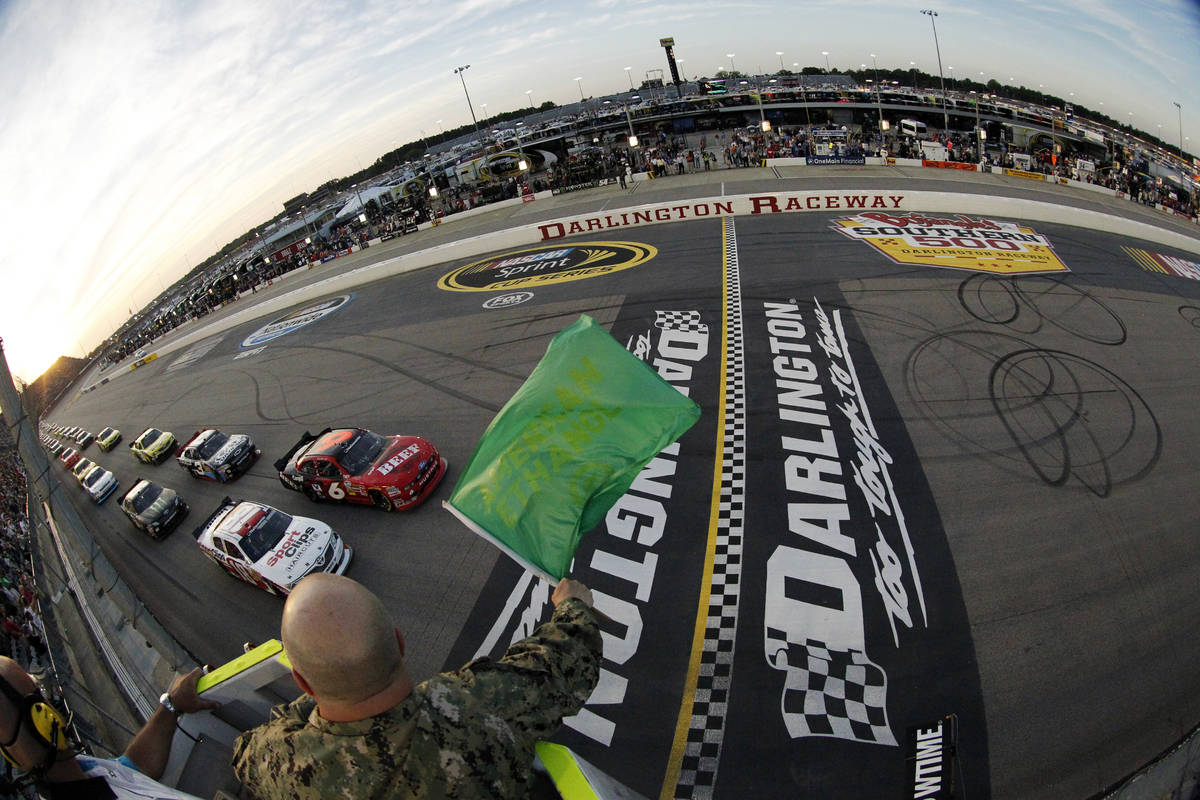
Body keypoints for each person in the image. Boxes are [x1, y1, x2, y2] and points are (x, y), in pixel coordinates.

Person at [232, 573, 602, 799]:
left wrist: (324, 686)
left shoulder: (282, 763)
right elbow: (564, 661)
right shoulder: (473, 704)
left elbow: (244, 753)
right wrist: (572, 605)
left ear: (302, 682)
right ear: (400, 642)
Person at [0, 655, 218, 798]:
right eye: (39, 690)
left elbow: (134, 767)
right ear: (44, 717)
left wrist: (171, 705)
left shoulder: (78, 773)